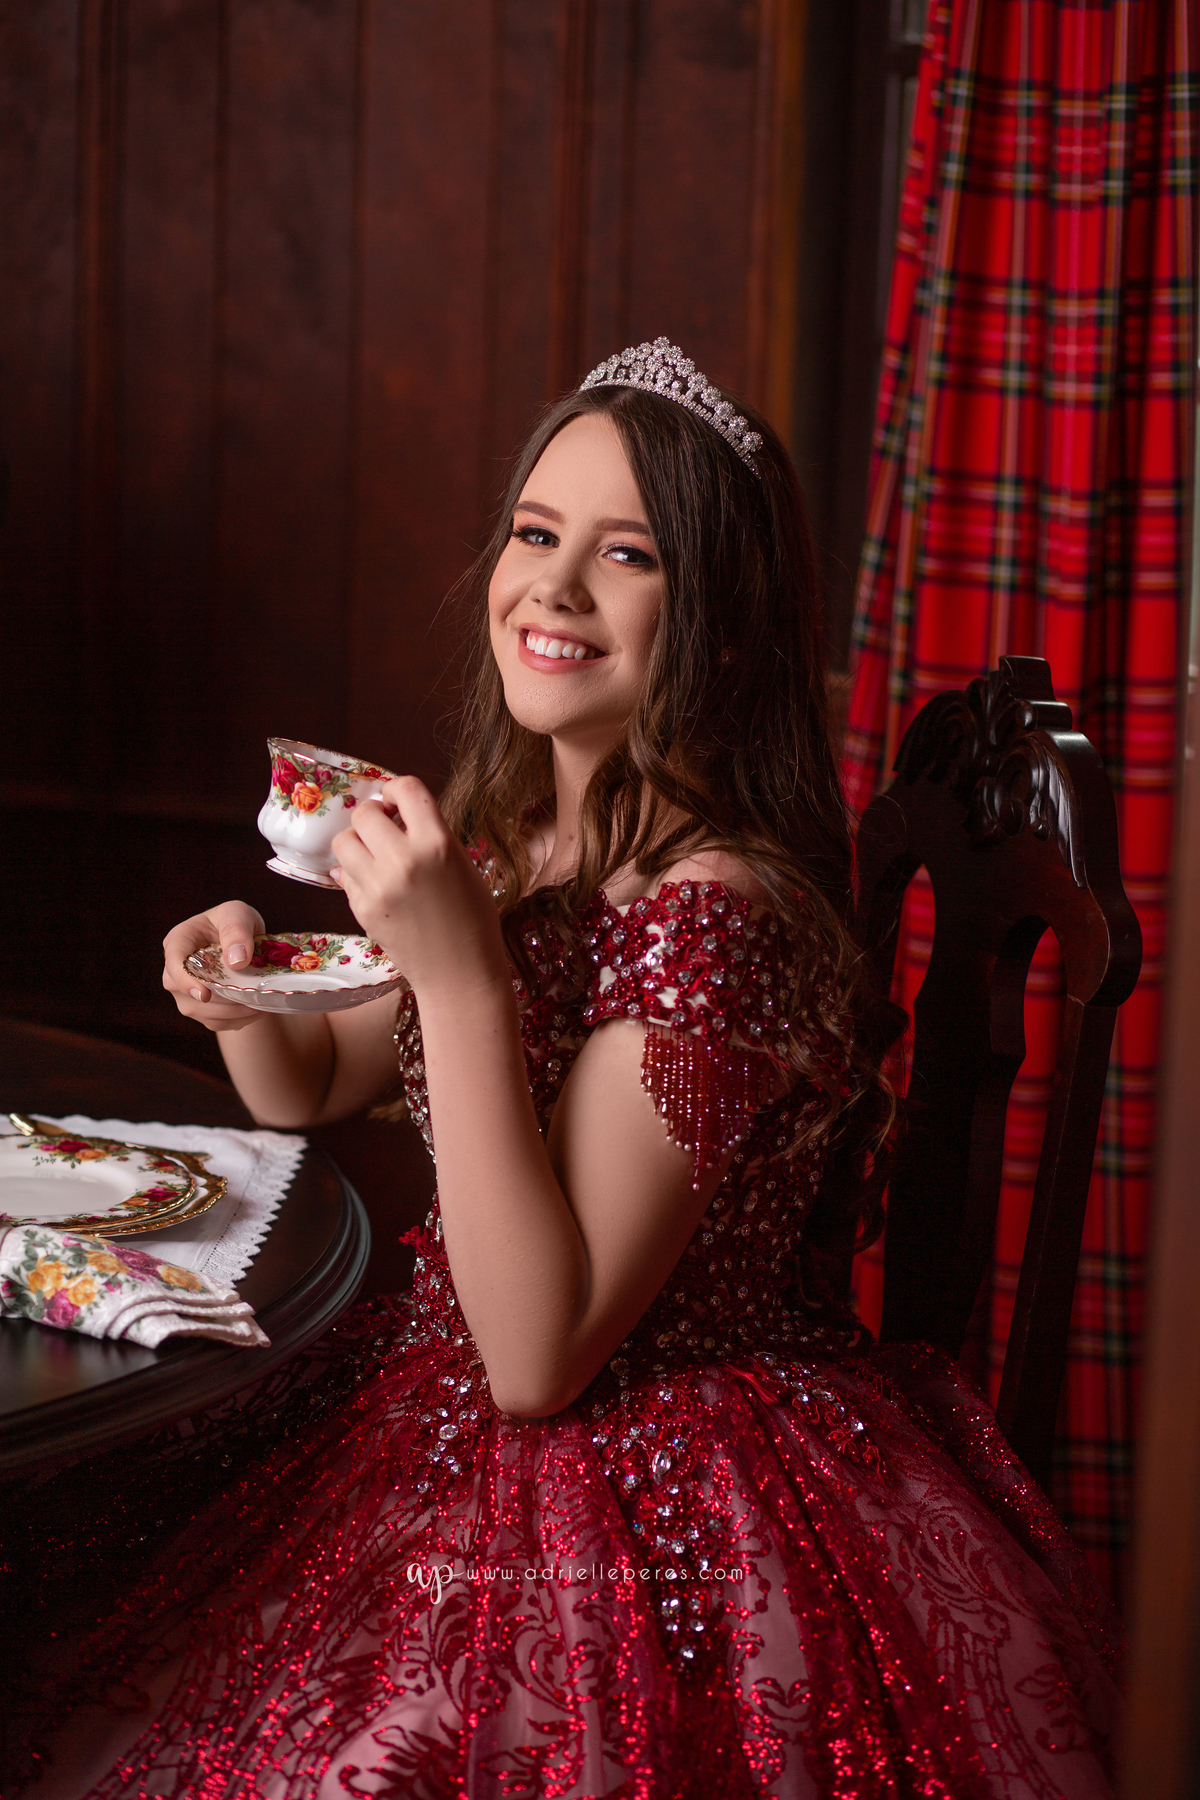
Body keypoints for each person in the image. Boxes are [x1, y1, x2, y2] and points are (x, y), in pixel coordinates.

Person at [36, 341, 1118, 1799]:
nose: (554, 586)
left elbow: (540, 1358)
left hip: (656, 1473)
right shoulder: (515, 834)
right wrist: (239, 989)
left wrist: (462, 968)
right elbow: (315, 1085)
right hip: (441, 1393)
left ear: (723, 630)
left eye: (629, 557)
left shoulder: (723, 914)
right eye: (536, 536)